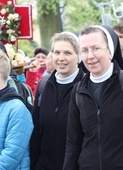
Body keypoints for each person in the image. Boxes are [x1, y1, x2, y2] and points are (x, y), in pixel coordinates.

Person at [63, 25, 123, 170]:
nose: (90, 56)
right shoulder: (78, 91)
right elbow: (73, 142)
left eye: (96, 48)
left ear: (110, 51)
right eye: (84, 50)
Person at [30, 32, 85, 170]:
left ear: (78, 57)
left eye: (67, 53)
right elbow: (36, 130)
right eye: (56, 52)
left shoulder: (86, 86)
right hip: (44, 165)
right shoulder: (44, 84)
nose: (61, 58)